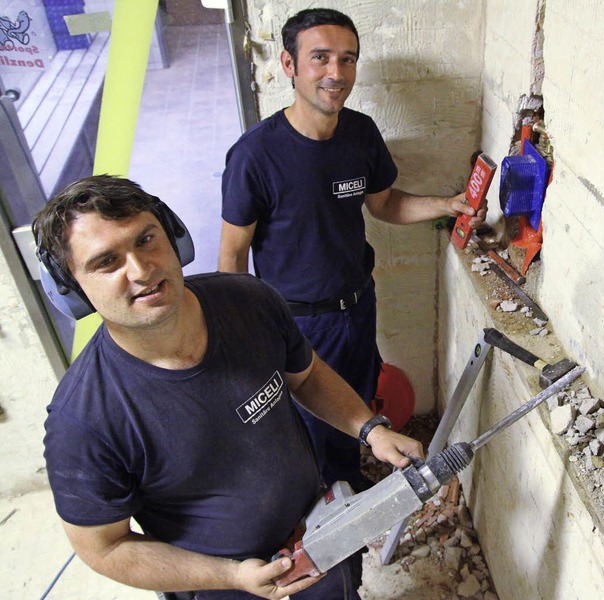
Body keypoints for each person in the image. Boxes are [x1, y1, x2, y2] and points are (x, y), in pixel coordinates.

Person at [34, 175, 424, 600]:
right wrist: (233, 576)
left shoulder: (249, 301)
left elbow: (307, 375)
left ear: (172, 236)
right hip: (221, 587)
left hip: (321, 535)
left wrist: (371, 429)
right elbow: (105, 548)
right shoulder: (83, 420)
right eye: (107, 262)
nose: (142, 270)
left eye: (146, 239)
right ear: (71, 289)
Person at [218, 8, 487, 491]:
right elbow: (232, 257)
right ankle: (323, 514)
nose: (335, 73)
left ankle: (346, 490)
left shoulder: (360, 133)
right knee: (310, 428)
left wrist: (450, 205)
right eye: (319, 58)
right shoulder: (254, 155)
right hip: (296, 321)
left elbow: (385, 204)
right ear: (288, 64)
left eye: (347, 59)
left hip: (358, 307)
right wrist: (245, 338)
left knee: (357, 409)